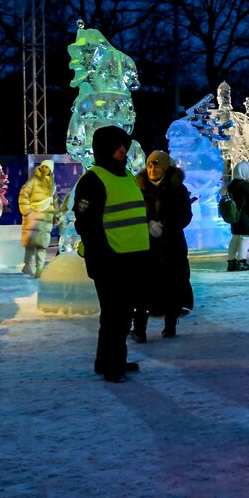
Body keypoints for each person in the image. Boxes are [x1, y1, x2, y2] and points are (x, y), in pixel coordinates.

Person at [73, 125, 150, 383]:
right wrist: (101, 254)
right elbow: (84, 222)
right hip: (110, 259)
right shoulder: (93, 179)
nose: (122, 149)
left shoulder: (126, 175)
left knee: (123, 314)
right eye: (116, 145)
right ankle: (111, 365)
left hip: (132, 258)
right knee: (114, 316)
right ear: (103, 148)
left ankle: (108, 360)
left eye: (124, 144)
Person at [135, 151, 195, 339]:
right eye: (150, 165)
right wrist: (147, 224)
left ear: (166, 166)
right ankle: (139, 329)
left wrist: (167, 226)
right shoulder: (139, 188)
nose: (152, 169)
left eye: (157, 165)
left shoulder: (178, 189)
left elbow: (186, 215)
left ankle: (170, 326)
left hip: (172, 245)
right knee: (143, 287)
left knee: (172, 285)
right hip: (146, 246)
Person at [18, 160, 57, 277]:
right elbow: (23, 195)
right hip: (33, 217)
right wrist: (27, 211)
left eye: (48, 167)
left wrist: (56, 214)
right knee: (31, 245)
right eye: (43, 167)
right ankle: (28, 266)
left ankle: (40, 267)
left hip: (46, 218)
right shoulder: (33, 181)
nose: (45, 169)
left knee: (42, 246)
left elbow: (54, 201)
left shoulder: (52, 184)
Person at [225, 161, 249, 271]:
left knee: (235, 237)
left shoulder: (231, 184)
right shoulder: (244, 185)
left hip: (234, 215)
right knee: (244, 238)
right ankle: (241, 261)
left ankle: (231, 262)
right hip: (245, 215)